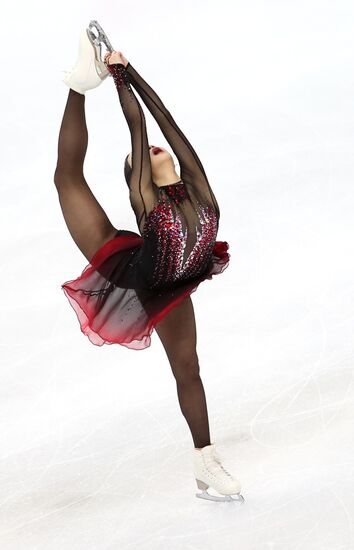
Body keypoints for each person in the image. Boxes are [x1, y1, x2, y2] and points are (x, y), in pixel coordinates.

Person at [54, 21, 244, 503]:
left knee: (189, 368)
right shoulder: (149, 203)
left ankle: (206, 462)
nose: (156, 152)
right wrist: (114, 78)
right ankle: (79, 85)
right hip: (135, 269)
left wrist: (131, 70)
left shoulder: (201, 192)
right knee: (66, 179)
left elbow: (165, 122)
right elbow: (139, 128)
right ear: (138, 180)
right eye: (138, 161)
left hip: (171, 282)